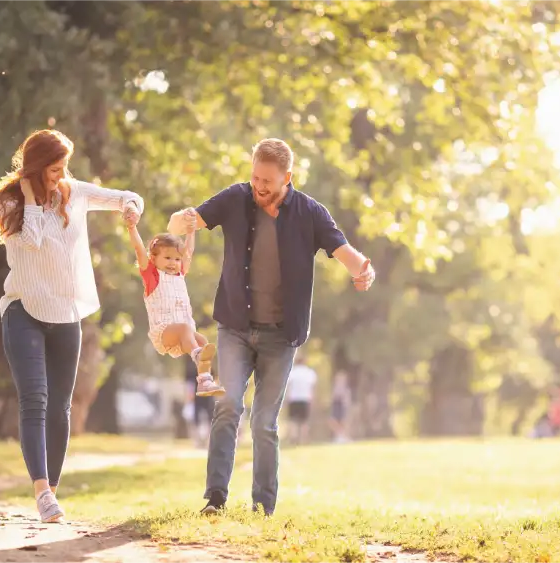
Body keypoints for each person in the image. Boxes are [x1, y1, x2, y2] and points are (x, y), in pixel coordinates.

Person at [167, 138, 375, 516]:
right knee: (228, 406)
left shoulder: (310, 213)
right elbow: (192, 219)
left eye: (268, 180)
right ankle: (215, 498)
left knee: (264, 422)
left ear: (288, 178)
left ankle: (262, 506)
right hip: (235, 325)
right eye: (255, 177)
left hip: (281, 334)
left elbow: (342, 248)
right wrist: (180, 223)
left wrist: (362, 269)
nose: (259, 186)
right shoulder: (236, 198)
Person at [0, 129, 144, 523]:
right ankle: (41, 492)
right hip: (24, 312)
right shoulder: (9, 205)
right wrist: (32, 196)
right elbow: (31, 239)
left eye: (64, 166)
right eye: (54, 168)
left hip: (67, 314)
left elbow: (126, 196)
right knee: (34, 398)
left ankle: (52, 491)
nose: (61, 174)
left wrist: (132, 208)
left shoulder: (74, 192)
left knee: (60, 408)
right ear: (35, 168)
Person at [123, 206, 225, 397]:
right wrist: (131, 228)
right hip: (163, 332)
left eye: (177, 259)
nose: (173, 263)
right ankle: (196, 356)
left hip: (181, 333)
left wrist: (190, 231)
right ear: (153, 259)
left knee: (202, 340)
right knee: (188, 333)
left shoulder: (179, 275)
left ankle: (205, 381)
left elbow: (189, 252)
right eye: (167, 257)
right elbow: (138, 249)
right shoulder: (152, 276)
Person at [285, 356, 318, 445]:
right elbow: (312, 388)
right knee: (304, 420)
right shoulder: (309, 373)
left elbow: (288, 386)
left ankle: (293, 438)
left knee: (293, 420)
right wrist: (312, 399)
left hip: (293, 398)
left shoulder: (292, 372)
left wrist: (286, 398)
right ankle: (303, 439)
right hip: (305, 398)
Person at [328, 372, 352, 443]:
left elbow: (347, 399)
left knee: (343, 422)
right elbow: (332, 398)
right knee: (332, 421)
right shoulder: (335, 388)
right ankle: (340, 435)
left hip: (342, 405)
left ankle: (343, 437)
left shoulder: (346, 389)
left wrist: (347, 405)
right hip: (336, 405)